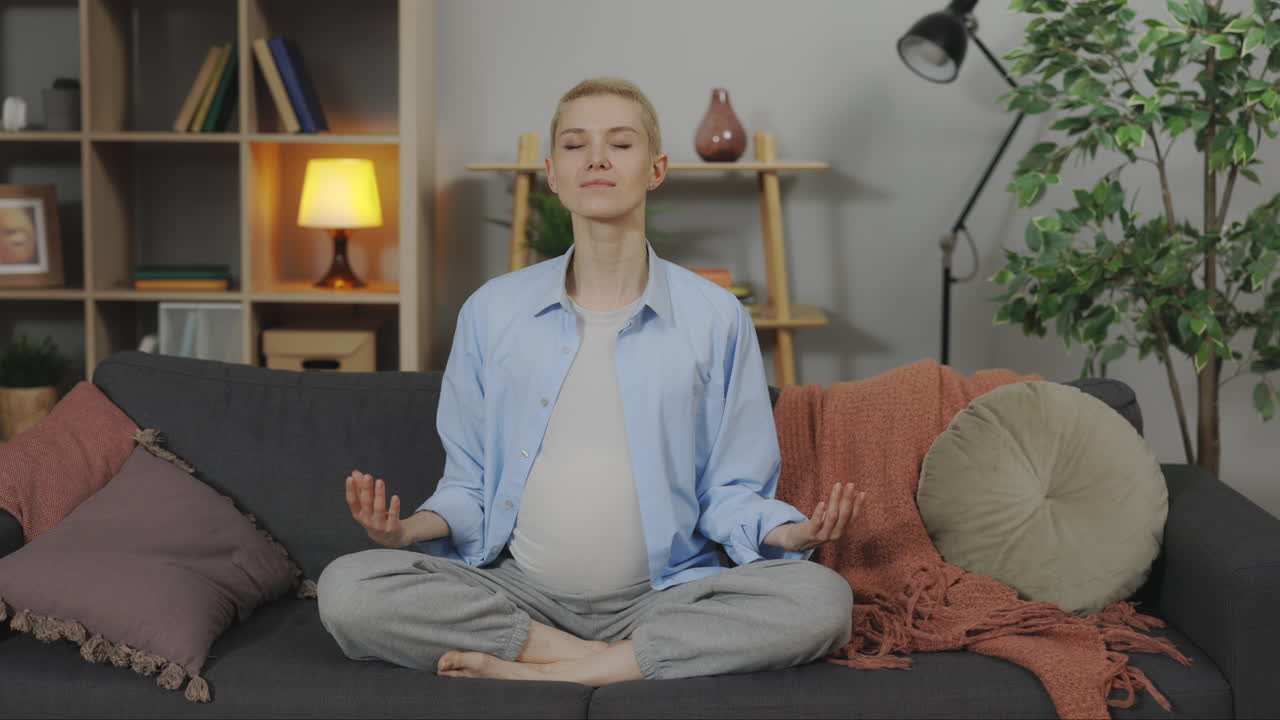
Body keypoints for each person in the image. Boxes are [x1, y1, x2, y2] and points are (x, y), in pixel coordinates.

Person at [317, 77, 866, 686]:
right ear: (553, 172)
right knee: (348, 588)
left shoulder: (716, 317)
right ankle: (586, 661)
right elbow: (469, 481)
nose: (598, 158)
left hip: (666, 594)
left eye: (621, 144)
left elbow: (732, 489)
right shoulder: (491, 311)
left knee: (820, 600)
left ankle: (546, 670)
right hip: (520, 593)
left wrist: (791, 532)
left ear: (656, 169)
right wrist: (405, 530)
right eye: (577, 145)